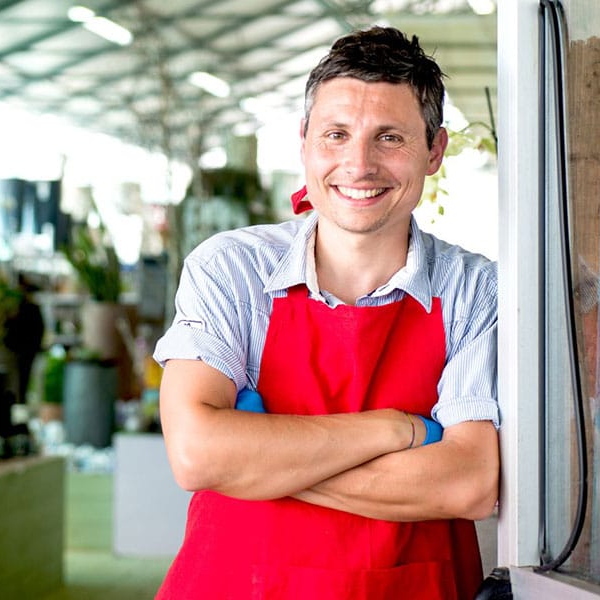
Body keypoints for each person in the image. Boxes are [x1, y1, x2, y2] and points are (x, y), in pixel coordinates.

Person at [153, 26, 499, 599]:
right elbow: (196, 455)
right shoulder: (232, 270)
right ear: (305, 141)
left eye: (389, 138)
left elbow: (468, 483)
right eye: (336, 135)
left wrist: (259, 458)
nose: (358, 165)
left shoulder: (475, 291)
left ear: (434, 150)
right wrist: (398, 430)